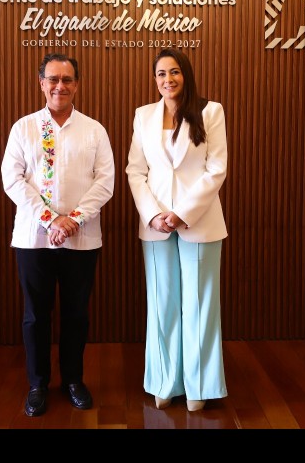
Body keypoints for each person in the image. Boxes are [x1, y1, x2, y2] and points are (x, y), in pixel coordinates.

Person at [1, 53, 115, 417]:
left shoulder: (94, 130)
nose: (60, 86)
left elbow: (105, 182)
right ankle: (37, 384)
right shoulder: (24, 128)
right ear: (42, 83)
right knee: (36, 314)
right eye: (53, 79)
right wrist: (51, 220)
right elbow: (12, 180)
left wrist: (73, 220)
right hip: (34, 238)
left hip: (82, 239)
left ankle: (73, 380)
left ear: (76, 85)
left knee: (76, 314)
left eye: (67, 80)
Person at [125, 48, 228, 412]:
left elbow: (217, 169)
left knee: (199, 304)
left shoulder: (210, 111)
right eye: (161, 74)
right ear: (155, 79)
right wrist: (154, 214)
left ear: (185, 74)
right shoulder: (143, 115)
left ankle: (199, 385)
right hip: (155, 225)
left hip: (199, 222)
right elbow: (135, 170)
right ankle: (165, 381)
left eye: (174, 72)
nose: (167, 79)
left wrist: (182, 214)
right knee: (162, 302)